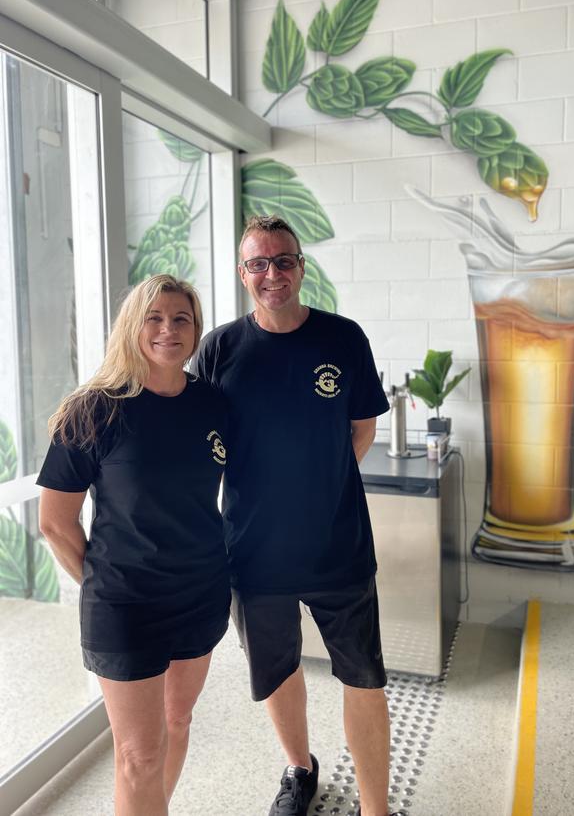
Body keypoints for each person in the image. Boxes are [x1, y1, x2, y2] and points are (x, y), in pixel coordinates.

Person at [193, 215, 404, 816]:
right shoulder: (220, 349)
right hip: (254, 552)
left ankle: (374, 806)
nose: (272, 273)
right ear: (243, 275)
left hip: (338, 545)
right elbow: (200, 434)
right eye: (258, 263)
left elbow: (361, 429)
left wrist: (318, 480)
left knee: (363, 676)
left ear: (301, 267)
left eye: (283, 260)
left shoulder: (342, 338)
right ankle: (299, 769)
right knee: (276, 670)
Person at [37, 275, 230, 816]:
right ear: (133, 327)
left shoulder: (213, 405)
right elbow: (55, 522)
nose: (168, 329)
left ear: (195, 333)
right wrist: (106, 584)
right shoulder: (93, 410)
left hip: (200, 591)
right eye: (154, 318)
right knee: (140, 755)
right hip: (126, 603)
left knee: (177, 722)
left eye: (181, 319)